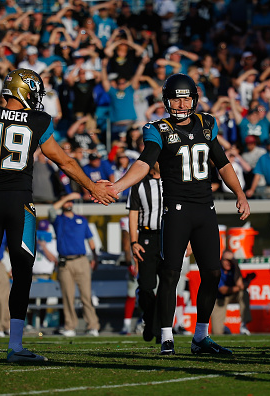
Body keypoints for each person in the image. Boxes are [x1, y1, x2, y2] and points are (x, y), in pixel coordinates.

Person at [0, 68, 117, 363]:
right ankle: (15, 346)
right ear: (24, 92)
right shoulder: (38, 120)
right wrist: (92, 186)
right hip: (22, 206)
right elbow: (65, 161)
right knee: (22, 273)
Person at [107, 73, 250, 355]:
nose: (181, 103)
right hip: (176, 210)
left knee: (212, 273)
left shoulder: (207, 124)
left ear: (195, 99)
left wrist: (240, 193)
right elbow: (145, 163)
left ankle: (200, 336)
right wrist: (118, 186)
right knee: (171, 274)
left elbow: (222, 163)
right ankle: (166, 335)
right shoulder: (157, 129)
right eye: (176, 97)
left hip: (205, 208)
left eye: (186, 97)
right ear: (166, 100)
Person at [48, 192, 100, 337]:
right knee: (67, 296)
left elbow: (90, 239)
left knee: (86, 296)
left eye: (71, 202)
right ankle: (70, 326)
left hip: (82, 260)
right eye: (66, 202)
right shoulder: (58, 220)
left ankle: (93, 326)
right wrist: (68, 196)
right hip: (65, 262)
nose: (69, 204)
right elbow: (51, 210)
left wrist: (95, 257)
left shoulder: (82, 220)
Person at [127, 162, 163, 342]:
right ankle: (150, 321)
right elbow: (133, 214)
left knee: (167, 285)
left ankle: (159, 328)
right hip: (147, 236)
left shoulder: (172, 181)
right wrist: (134, 241)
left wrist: (187, 240)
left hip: (169, 236)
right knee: (146, 287)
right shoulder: (139, 183)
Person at [211, 249, 254, 336]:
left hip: (233, 294)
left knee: (244, 293)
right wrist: (240, 286)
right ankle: (225, 329)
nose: (228, 263)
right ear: (221, 259)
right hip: (219, 298)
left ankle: (244, 324)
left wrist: (236, 266)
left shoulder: (234, 268)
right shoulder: (216, 269)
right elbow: (223, 290)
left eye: (231, 260)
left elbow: (241, 285)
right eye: (226, 260)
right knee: (217, 332)